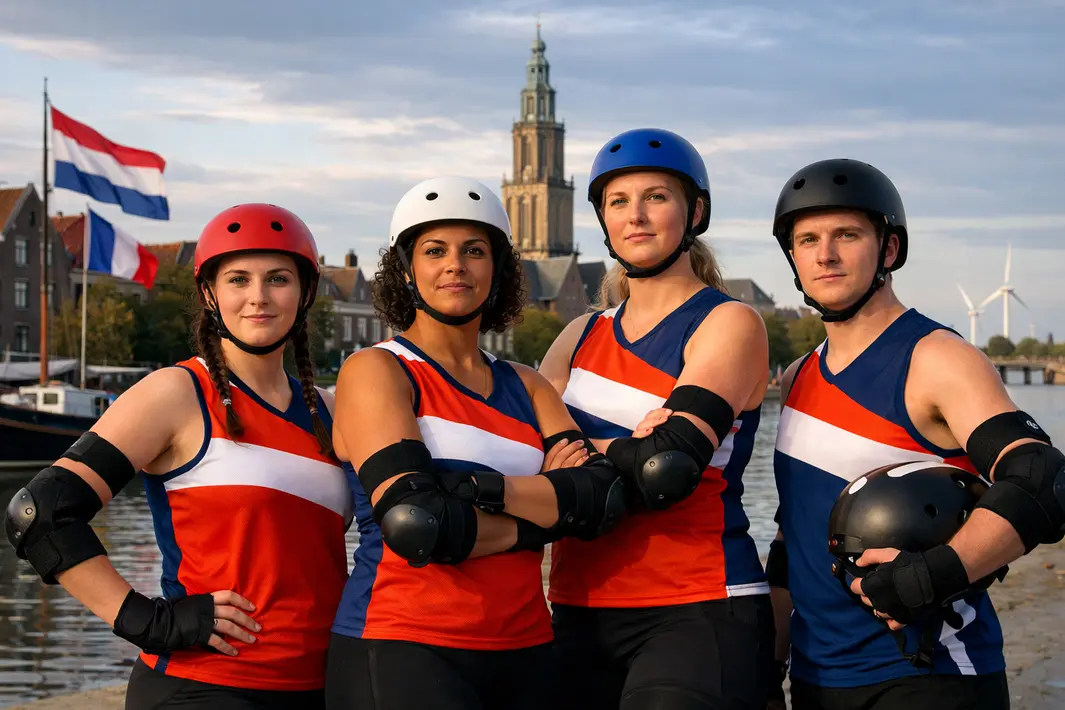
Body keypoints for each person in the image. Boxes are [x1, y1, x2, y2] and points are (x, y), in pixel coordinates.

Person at [5, 204, 351, 710]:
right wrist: (151, 622)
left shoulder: (330, 410)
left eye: (278, 278)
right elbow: (40, 515)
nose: (258, 297)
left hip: (322, 684)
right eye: (238, 279)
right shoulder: (178, 392)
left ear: (304, 292)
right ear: (210, 294)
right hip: (203, 687)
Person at [324, 176, 637, 710]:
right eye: (434, 251)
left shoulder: (528, 383)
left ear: (497, 270)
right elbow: (416, 524)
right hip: (404, 645)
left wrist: (470, 491)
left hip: (529, 648)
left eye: (475, 250)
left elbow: (603, 501)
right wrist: (549, 500)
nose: (456, 265)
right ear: (406, 268)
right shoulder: (377, 370)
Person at [767, 157, 1065, 710]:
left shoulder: (936, 358)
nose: (824, 253)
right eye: (807, 239)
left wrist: (936, 574)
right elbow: (793, 539)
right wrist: (768, 665)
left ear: (889, 249)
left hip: (930, 673)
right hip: (815, 679)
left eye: (846, 235)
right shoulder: (797, 377)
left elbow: (1041, 478)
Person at [536, 128, 777, 710]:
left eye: (656, 198)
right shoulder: (578, 335)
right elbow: (519, 450)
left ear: (694, 212)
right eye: (618, 202)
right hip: (576, 605)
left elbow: (665, 468)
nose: (636, 216)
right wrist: (622, 445)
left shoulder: (728, 323)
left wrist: (571, 446)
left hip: (697, 606)